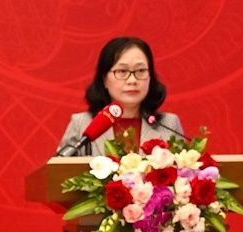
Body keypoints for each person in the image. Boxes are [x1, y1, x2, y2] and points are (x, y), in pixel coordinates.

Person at [57, 36, 187, 156]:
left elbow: (186, 174)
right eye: (122, 71)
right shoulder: (81, 123)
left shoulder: (169, 124)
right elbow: (58, 173)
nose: (132, 80)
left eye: (141, 71)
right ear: (104, 79)